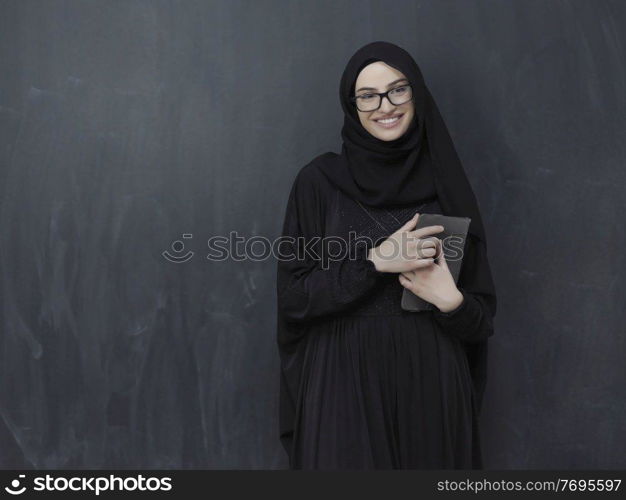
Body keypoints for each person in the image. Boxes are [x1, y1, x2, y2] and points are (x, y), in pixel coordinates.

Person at [276, 41, 497, 470]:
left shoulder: (445, 184)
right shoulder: (318, 182)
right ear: (351, 105)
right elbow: (294, 299)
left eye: (398, 90)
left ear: (416, 94)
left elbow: (481, 321)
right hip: (342, 382)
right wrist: (375, 262)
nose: (385, 106)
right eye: (368, 95)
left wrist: (450, 302)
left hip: (431, 380)